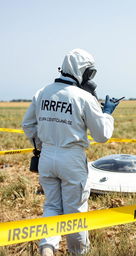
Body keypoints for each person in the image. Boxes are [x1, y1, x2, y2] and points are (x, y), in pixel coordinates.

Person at [22, 48, 119, 256]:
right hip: (72, 159)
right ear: (81, 71)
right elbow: (102, 135)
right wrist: (107, 114)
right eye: (89, 73)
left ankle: (47, 247)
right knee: (75, 211)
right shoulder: (83, 97)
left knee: (52, 206)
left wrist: (41, 144)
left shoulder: (42, 92)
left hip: (47, 157)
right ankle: (78, 253)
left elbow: (28, 125)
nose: (90, 78)